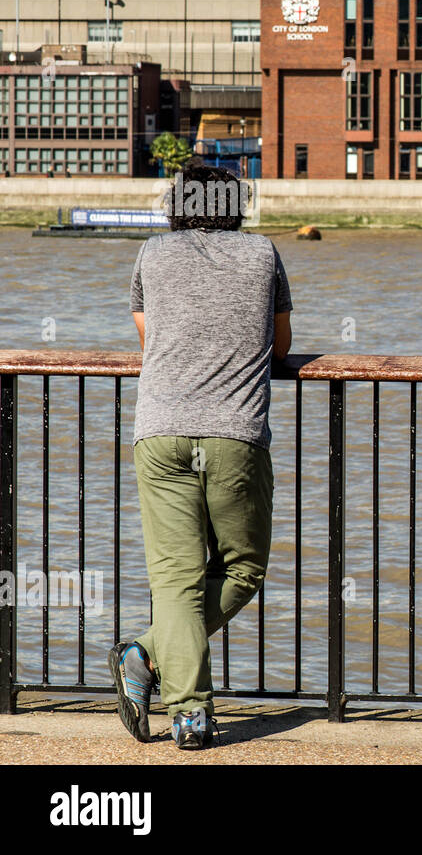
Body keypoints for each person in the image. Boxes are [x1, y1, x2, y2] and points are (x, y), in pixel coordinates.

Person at [109, 163, 292, 750]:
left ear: (178, 205)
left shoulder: (153, 255)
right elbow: (280, 342)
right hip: (235, 434)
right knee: (243, 569)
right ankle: (161, 678)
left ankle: (172, 691)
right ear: (234, 205)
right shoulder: (262, 254)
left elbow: (148, 334)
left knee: (176, 582)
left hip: (160, 432)